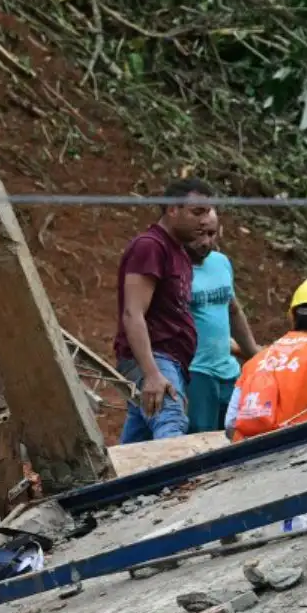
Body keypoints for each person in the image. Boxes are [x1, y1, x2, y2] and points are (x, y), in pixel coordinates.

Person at [115, 178, 216, 444]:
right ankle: (178, 485)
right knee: (170, 418)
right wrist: (152, 373)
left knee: (136, 444)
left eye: (207, 213)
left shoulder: (180, 253)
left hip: (172, 363)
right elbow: (132, 313)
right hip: (155, 358)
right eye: (197, 212)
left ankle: (113, 485)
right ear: (172, 209)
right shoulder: (151, 246)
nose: (204, 221)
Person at [225, 280, 307, 441]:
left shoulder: (260, 358)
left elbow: (230, 423)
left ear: (293, 318)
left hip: (248, 452)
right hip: (300, 446)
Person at [185, 222, 259, 435]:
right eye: (199, 234)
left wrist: (253, 353)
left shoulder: (221, 262)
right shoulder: (175, 269)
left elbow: (233, 310)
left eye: (211, 234)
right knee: (200, 438)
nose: (206, 242)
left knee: (233, 433)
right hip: (196, 370)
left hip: (228, 370)